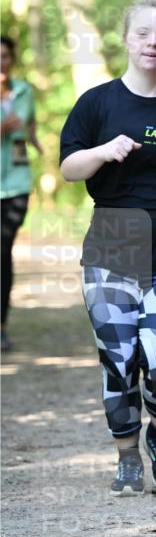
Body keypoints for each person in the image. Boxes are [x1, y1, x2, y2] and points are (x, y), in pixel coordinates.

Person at [60, 0, 156, 496]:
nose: (153, 42)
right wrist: (102, 152)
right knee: (119, 358)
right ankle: (127, 456)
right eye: (144, 33)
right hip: (111, 243)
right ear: (126, 38)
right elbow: (68, 169)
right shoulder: (97, 103)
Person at [1, 35, 43, 353]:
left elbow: (28, 125)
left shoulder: (24, 90)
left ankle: (1, 325)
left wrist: (35, 140)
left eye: (5, 56)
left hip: (16, 181)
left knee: (3, 252)